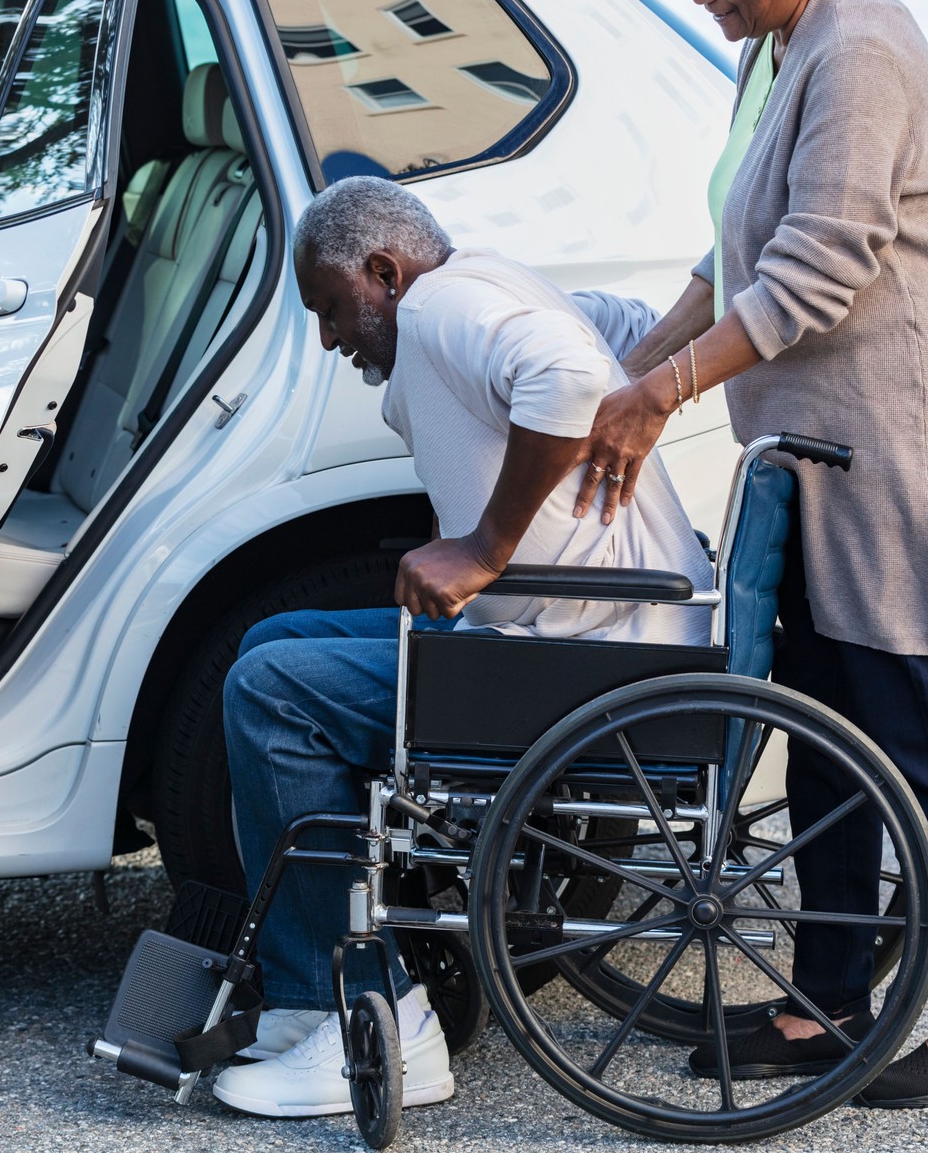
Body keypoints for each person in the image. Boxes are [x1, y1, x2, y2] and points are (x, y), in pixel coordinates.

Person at [555, 0, 928, 1110]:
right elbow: (733, 255)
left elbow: (815, 270)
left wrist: (663, 395)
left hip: (893, 450)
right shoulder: (773, 44)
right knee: (826, 734)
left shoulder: (861, 49)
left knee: (922, 738)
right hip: (814, 452)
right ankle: (827, 1002)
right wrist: (634, 368)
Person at [212, 176, 715, 1119]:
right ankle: (299, 993)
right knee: (273, 642)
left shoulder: (441, 304)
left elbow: (564, 376)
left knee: (273, 691)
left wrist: (488, 546)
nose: (327, 338)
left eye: (328, 307)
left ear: (383, 271)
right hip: (584, 636)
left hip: (575, 660)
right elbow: (616, 325)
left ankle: (372, 1014)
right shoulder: (485, 282)